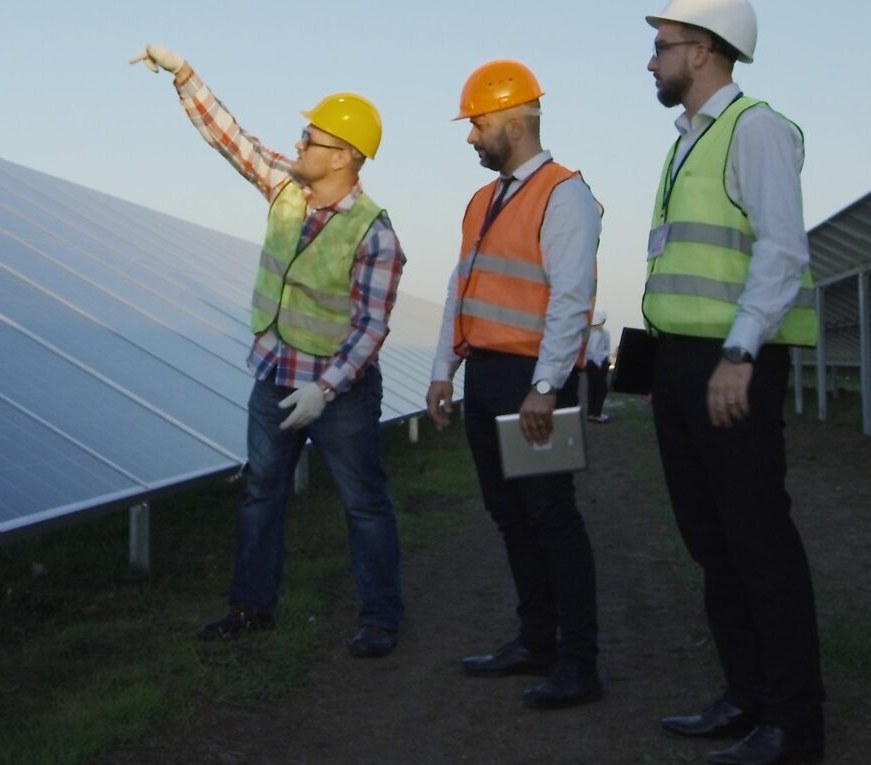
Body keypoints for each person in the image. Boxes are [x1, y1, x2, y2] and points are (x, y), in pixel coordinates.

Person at [131, 43, 406, 658]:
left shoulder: (375, 234)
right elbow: (233, 139)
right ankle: (250, 608)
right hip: (275, 375)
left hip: (337, 393)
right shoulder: (286, 188)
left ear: (342, 157)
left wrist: (325, 389)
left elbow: (369, 329)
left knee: (363, 503)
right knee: (261, 491)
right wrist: (182, 75)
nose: (298, 145)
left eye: (309, 139)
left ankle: (380, 618)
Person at [643, 0, 825, 765]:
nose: (651, 60)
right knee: (712, 540)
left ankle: (795, 721)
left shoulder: (755, 132)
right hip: (685, 365)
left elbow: (782, 251)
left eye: (663, 45)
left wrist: (740, 356)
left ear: (704, 50)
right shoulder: (688, 138)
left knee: (758, 541)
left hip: (732, 367)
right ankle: (745, 696)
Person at [425, 60, 604, 708]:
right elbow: (460, 287)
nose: (471, 137)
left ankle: (579, 664)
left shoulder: (565, 194)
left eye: (476, 124)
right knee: (510, 514)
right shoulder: (483, 200)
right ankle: (536, 641)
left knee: (551, 516)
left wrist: (548, 385)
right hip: (490, 376)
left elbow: (571, 296)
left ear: (513, 119)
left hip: (533, 380)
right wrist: (444, 369)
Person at [585, 312, 612, 422]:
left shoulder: (591, 333)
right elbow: (594, 351)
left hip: (590, 364)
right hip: (597, 364)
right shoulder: (599, 334)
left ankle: (591, 413)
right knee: (601, 389)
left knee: (593, 389)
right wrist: (600, 364)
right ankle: (597, 413)